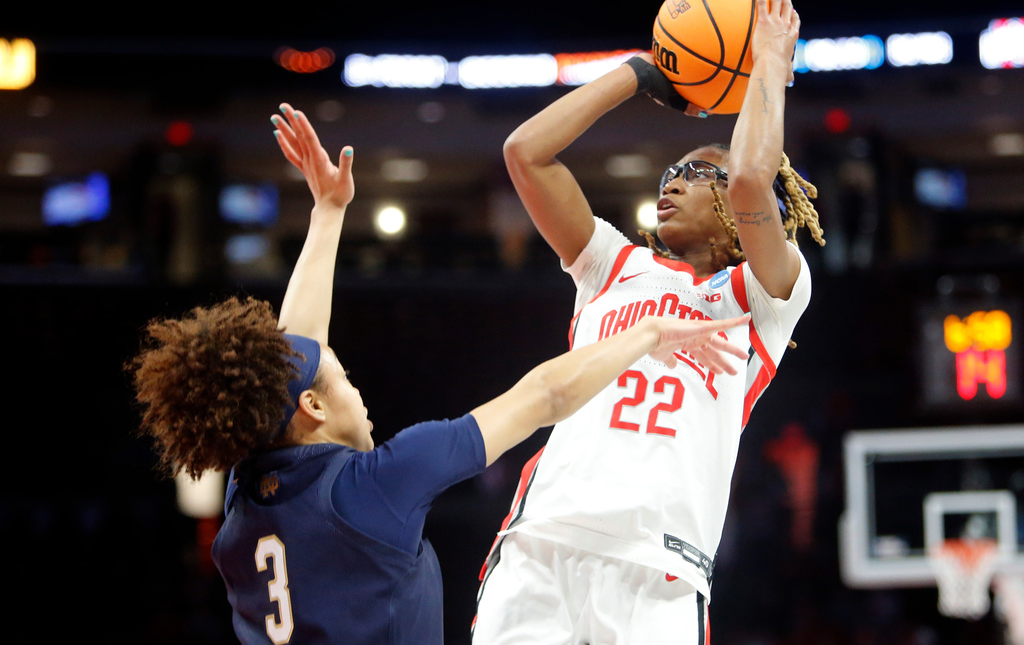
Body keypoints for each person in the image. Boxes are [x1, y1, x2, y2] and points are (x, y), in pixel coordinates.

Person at [128, 103, 751, 645]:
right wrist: (645, 334)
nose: (360, 396)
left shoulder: (245, 492)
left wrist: (329, 211)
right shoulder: (374, 485)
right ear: (313, 409)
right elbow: (545, 394)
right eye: (344, 381)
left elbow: (295, 354)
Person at [472, 0, 826, 645]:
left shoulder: (766, 297)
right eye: (670, 170)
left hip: (661, 565)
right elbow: (525, 152)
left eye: (695, 172)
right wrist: (639, 72)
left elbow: (751, 174)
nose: (673, 180)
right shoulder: (613, 264)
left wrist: (769, 64)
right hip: (544, 539)